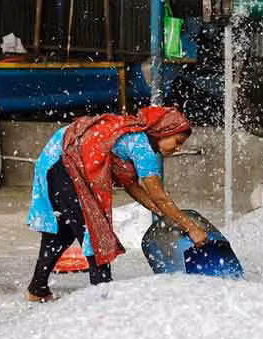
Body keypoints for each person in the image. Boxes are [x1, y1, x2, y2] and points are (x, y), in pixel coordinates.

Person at [25, 106, 208, 302]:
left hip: (57, 157)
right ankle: (103, 297)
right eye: (177, 141)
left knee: (64, 231)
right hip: (65, 159)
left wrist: (161, 212)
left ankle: (37, 289)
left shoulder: (135, 136)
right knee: (95, 231)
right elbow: (160, 196)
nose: (177, 148)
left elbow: (132, 186)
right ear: (163, 131)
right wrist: (191, 228)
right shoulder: (142, 146)